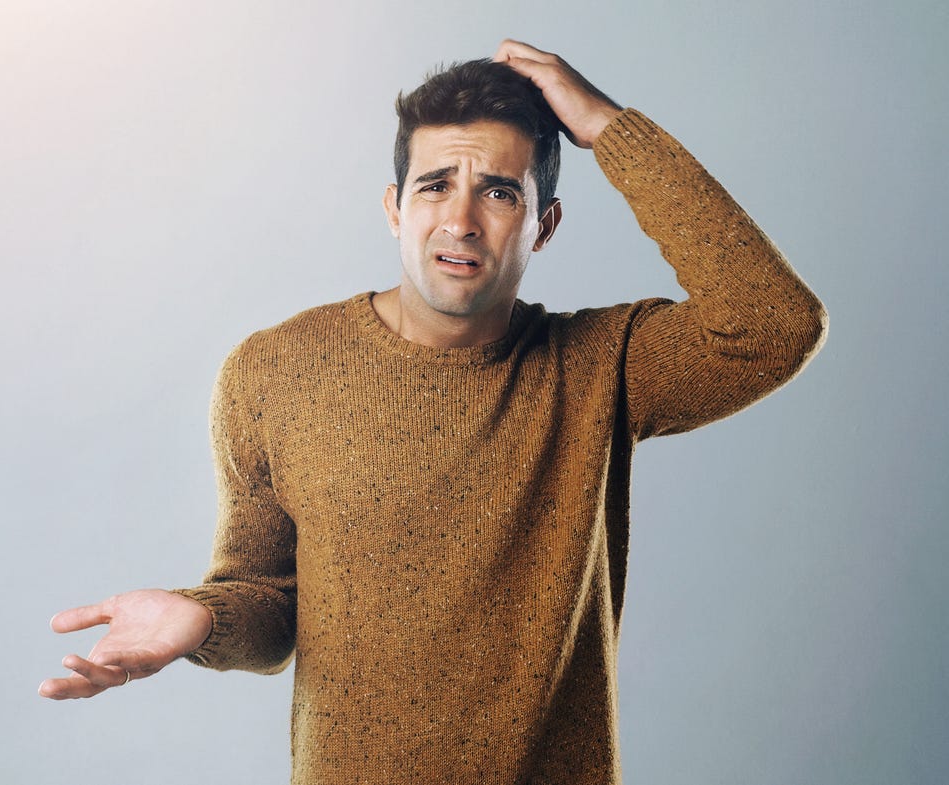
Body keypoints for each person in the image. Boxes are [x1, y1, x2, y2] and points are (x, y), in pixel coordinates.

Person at [40, 40, 827, 784]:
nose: (461, 220)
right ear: (394, 207)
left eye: (499, 192)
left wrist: (608, 129)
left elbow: (775, 323)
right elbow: (269, 605)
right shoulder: (272, 371)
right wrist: (200, 619)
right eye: (435, 185)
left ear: (544, 226)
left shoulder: (602, 366)